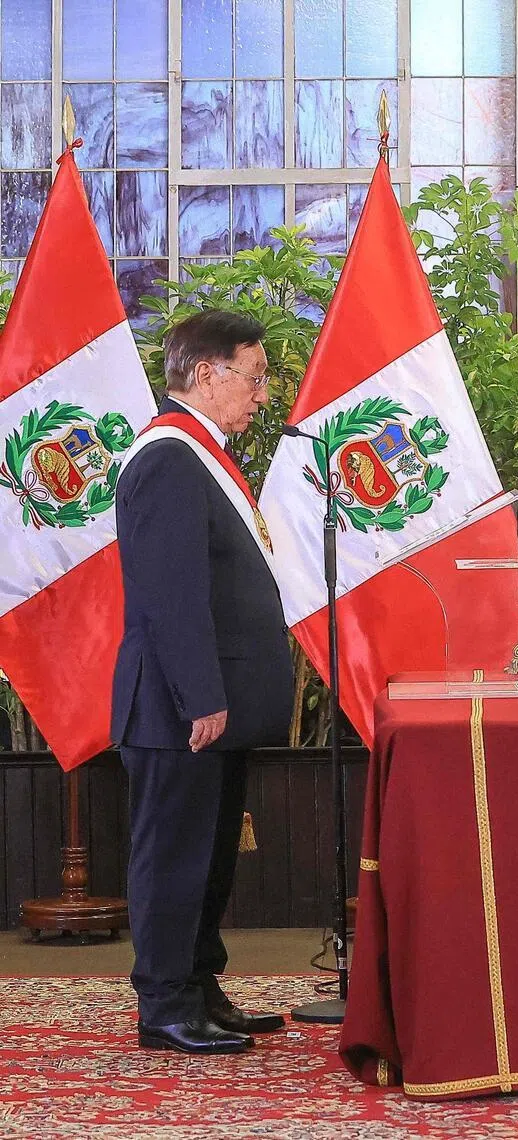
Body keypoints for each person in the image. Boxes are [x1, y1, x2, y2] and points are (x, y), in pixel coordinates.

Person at [112, 310, 294, 1054]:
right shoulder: (168, 459)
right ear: (208, 374)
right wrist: (203, 697)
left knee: (210, 858)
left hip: (209, 705)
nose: (260, 395)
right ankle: (164, 1004)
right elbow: (170, 593)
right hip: (178, 707)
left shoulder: (203, 456)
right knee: (174, 856)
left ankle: (200, 985)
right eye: (252, 378)